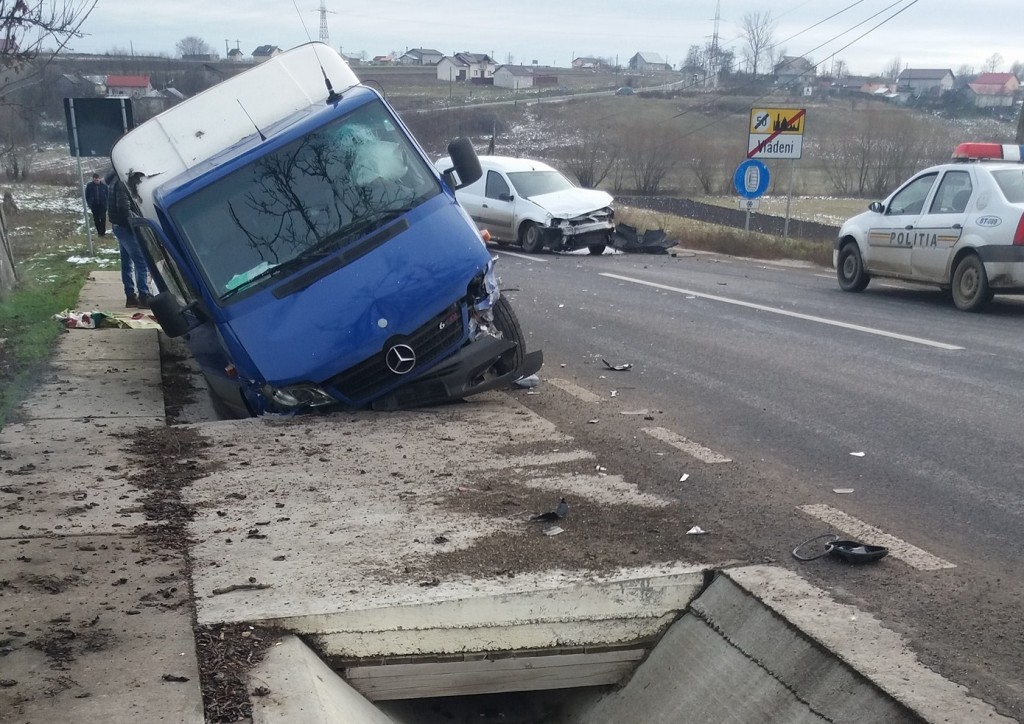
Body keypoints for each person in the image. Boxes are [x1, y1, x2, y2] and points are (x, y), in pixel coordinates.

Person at [107, 173, 153, 308]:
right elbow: (124, 209)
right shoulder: (122, 184)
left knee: (126, 262)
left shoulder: (114, 181)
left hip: (118, 226)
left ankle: (130, 296)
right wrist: (137, 224)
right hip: (125, 227)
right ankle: (144, 296)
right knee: (141, 262)